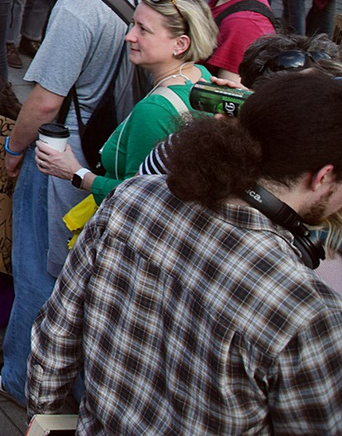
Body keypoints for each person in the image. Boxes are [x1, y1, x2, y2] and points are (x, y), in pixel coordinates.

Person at [29, 72, 342, 431]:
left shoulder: (134, 196)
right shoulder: (309, 312)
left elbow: (54, 336)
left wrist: (44, 420)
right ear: (323, 177)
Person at [0, 0, 154, 404]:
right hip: (122, 153)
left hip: (64, 154)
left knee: (40, 268)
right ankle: (81, 379)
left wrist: (12, 151)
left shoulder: (78, 4)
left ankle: (23, 378)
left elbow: (45, 100)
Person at [35, 0, 217, 203]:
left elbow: (135, 195)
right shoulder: (201, 76)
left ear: (180, 44)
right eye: (133, 24)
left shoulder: (154, 110)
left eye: (143, 29)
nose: (129, 36)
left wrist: (76, 174)